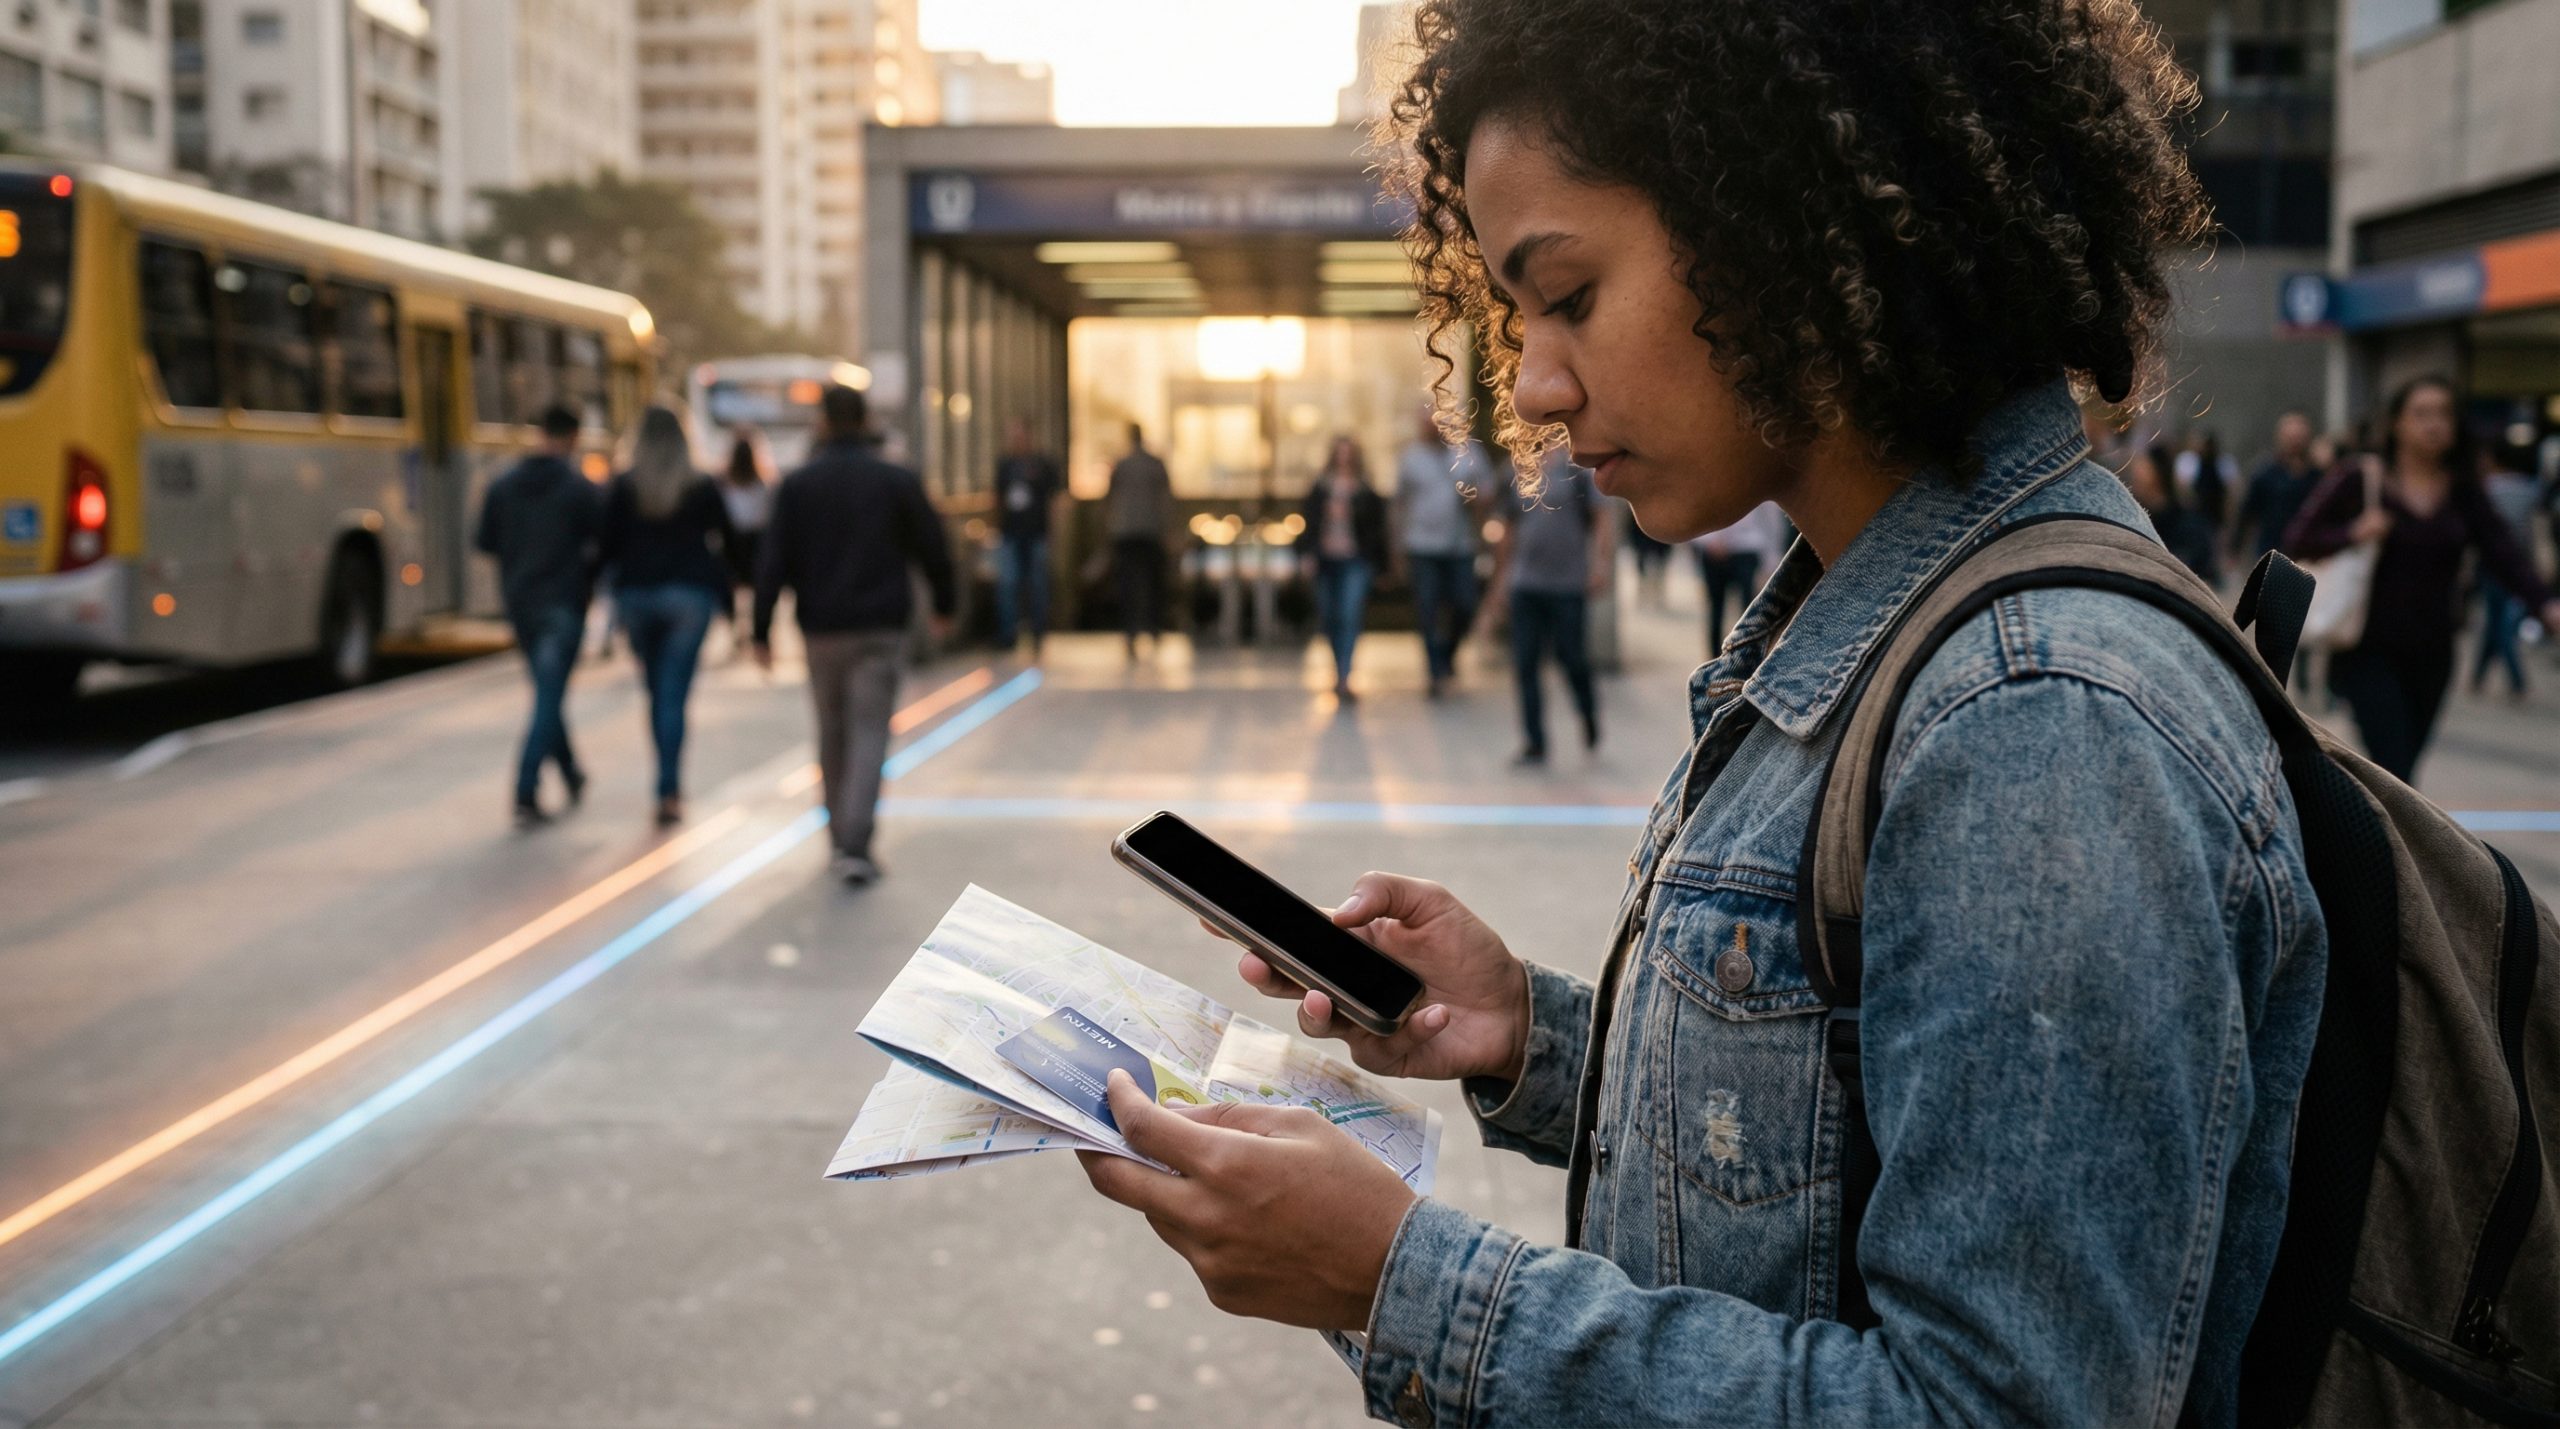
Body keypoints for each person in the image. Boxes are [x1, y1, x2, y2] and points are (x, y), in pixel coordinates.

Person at [1071, 4, 2338, 1426]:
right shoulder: (1877, 625)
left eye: (1569, 295)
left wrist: (1398, 1280)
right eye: (1517, 319)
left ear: (1791, 224)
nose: (1534, 386)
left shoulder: (2037, 718)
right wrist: (1529, 1033)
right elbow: (1839, 1143)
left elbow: (1995, 1407)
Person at [2288, 376, 2560, 784]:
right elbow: (2297, 539)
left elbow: (2503, 553)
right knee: (2395, 767)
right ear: (2396, 422)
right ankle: (2385, 828)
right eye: (2421, 413)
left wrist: (2546, 604)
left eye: (2444, 414)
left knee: (2403, 771)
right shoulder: (2361, 477)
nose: (2434, 424)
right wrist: (2354, 532)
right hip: (2368, 650)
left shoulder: (2462, 490)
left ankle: (2384, 824)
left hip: (2434, 652)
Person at [752, 385, 956, 885]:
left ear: (822, 422)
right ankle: (855, 842)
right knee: (869, 733)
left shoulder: (798, 485)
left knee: (832, 731)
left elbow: (773, 560)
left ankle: (838, 833)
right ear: (866, 421)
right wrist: (945, 604)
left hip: (821, 629)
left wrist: (760, 629)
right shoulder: (895, 480)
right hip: (880, 627)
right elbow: (933, 545)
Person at [600, 405, 734, 827]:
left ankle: (665, 783)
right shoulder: (700, 484)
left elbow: (606, 545)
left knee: (657, 692)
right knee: (674, 695)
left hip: (638, 596)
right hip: (690, 596)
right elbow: (726, 542)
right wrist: (730, 604)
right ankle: (669, 789)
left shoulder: (625, 485)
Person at [474, 403, 601, 829]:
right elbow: (601, 543)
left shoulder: (503, 486)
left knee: (549, 691)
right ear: (574, 437)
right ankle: (526, 789)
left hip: (520, 603)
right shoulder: (579, 489)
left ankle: (571, 772)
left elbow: (486, 542)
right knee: (549, 696)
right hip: (564, 602)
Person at [1490, 446, 1610, 763]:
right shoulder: (1515, 469)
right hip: (1525, 584)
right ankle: (1535, 741)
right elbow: (1506, 528)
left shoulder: (1576, 469)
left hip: (1567, 584)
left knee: (1572, 658)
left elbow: (1601, 517)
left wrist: (1600, 565)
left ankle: (1587, 713)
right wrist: (1500, 583)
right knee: (1526, 663)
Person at [1393, 401, 1491, 696]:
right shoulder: (1410, 458)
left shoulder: (1468, 454)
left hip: (1460, 546)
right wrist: (1396, 547)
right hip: (1422, 547)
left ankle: (1447, 654)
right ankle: (1434, 672)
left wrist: (1472, 499)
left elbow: (1487, 495)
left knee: (1464, 604)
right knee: (1427, 608)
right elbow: (1399, 505)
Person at [1298, 435, 1391, 702]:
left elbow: (1376, 530)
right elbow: (1309, 524)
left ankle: (1344, 676)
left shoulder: (1365, 490)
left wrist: (1381, 565)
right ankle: (1337, 665)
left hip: (1355, 560)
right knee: (1329, 616)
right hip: (1326, 559)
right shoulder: (1321, 488)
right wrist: (1308, 554)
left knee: (1349, 614)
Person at [2472, 439, 2545, 698]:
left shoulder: (2488, 488)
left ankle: (2514, 681)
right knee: (2497, 622)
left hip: (2491, 567)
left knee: (2498, 625)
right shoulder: (2532, 490)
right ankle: (2481, 677)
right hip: (2521, 566)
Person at [993, 415, 1063, 656]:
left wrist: (1053, 532)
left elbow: (1054, 501)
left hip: (1036, 533)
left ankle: (1038, 632)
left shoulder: (1043, 464)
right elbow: (997, 498)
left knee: (1037, 584)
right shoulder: (1005, 465)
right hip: (1011, 533)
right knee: (1008, 583)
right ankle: (1008, 634)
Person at [1104, 423, 1175, 661]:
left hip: (1126, 532)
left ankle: (1131, 631)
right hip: (1150, 531)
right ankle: (1153, 629)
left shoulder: (1122, 465)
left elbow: (1109, 500)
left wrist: (1111, 527)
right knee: (1153, 583)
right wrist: (1168, 530)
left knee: (1129, 585)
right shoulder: (1155, 464)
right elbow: (1167, 499)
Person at [1688, 499, 1784, 655]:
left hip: (1745, 548)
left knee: (1748, 610)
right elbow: (1693, 509)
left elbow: (1770, 515)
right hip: (1713, 550)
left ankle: (1747, 657)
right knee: (1715, 609)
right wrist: (1706, 541)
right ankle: (1715, 659)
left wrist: (1772, 559)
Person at [2232, 410, 2321, 566]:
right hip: (2272, 552)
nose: (2295, 443)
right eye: (2291, 438)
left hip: (2311, 554)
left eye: (2299, 437)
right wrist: (2235, 548)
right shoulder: (2264, 473)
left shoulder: (2319, 475)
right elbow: (2247, 512)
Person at [2128, 442, 2220, 583]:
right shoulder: (2133, 523)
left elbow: (2206, 573)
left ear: (2157, 474)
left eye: (2141, 472)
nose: (2134, 479)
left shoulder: (2189, 526)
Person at [717, 428, 771, 636]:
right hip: (755, 541)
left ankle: (734, 626)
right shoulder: (763, 484)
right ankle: (754, 627)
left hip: (733, 541)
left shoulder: (723, 483)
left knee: (730, 584)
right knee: (758, 587)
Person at [2174, 427, 2235, 537]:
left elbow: (2231, 492)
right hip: (2194, 515)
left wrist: (2228, 521)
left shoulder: (2223, 463)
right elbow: (2182, 489)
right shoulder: (2188, 461)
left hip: (2215, 515)